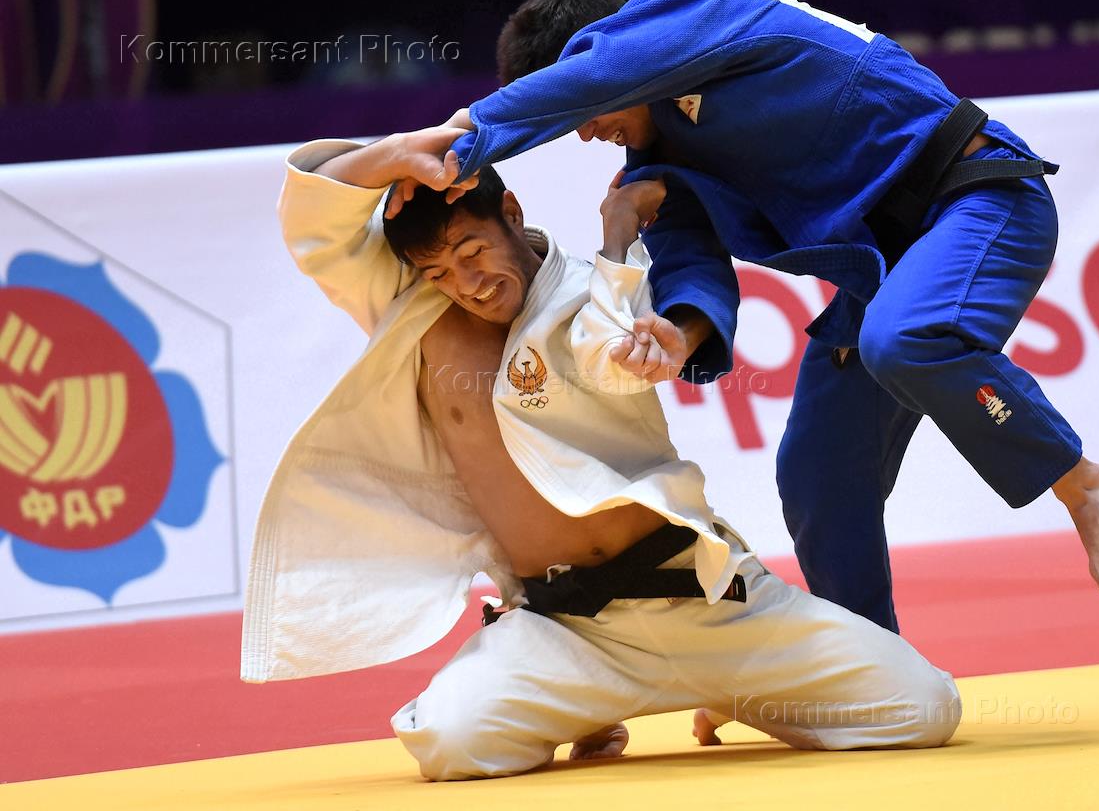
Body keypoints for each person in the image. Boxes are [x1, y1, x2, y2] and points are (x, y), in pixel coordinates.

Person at [389, 0, 1099, 632]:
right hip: (884, 275)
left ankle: (1082, 480)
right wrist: (682, 333)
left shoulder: (694, 18)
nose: (585, 132)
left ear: (601, 51)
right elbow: (691, 263)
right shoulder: (653, 165)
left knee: (904, 340)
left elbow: (596, 72)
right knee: (817, 472)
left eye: (579, 109)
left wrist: (460, 140)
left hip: (977, 197)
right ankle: (875, 668)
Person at [240, 127, 961, 781]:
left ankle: (738, 692)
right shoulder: (413, 313)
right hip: (565, 628)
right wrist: (397, 154)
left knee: (923, 707)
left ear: (511, 213)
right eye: (440, 273)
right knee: (450, 743)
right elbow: (313, 222)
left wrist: (618, 238)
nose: (468, 284)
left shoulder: (596, 284)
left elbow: (612, 362)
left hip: (700, 597)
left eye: (473, 253)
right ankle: (589, 707)